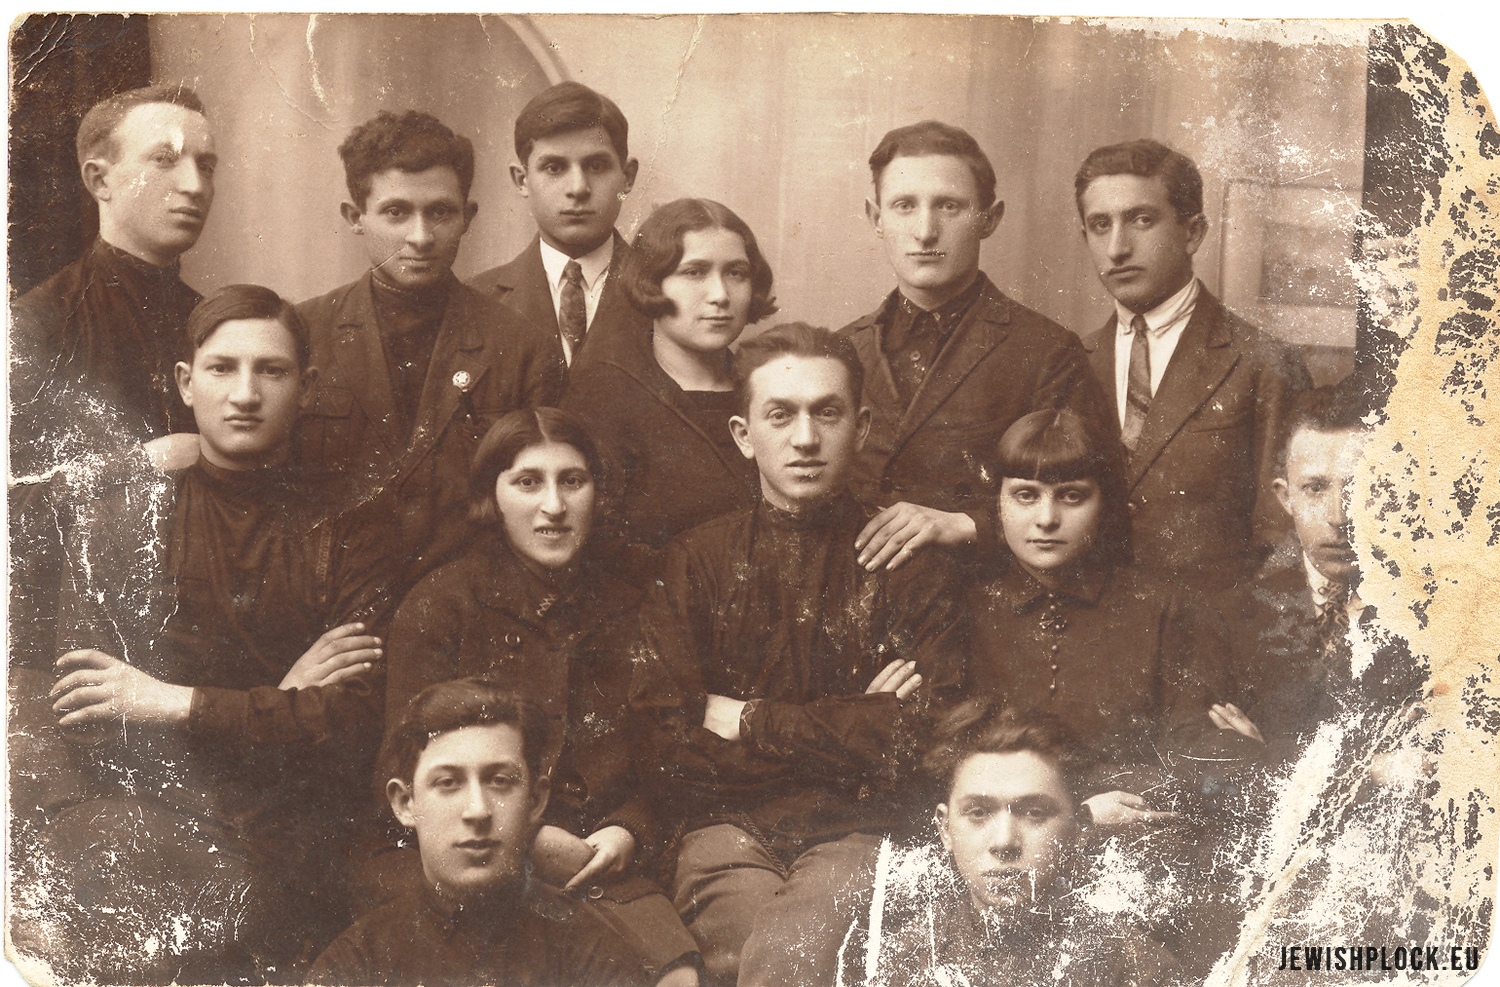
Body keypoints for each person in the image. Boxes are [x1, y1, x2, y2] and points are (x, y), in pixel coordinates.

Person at [11, 286, 393, 984]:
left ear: (305, 387)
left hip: (294, 844)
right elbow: (93, 722)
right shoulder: (121, 522)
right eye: (222, 368)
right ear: (186, 383)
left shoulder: (347, 530)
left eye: (270, 371)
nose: (245, 392)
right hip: (156, 828)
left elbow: (350, 724)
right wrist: (279, 699)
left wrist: (169, 702)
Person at [631, 323, 967, 986]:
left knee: (789, 958)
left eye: (827, 412)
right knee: (759, 955)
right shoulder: (696, 559)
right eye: (780, 415)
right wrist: (857, 719)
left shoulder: (905, 560)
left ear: (862, 425)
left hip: (862, 830)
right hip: (725, 835)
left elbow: (931, 736)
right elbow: (666, 738)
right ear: (742, 432)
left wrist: (754, 719)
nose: (806, 439)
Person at [375, 408, 700, 986]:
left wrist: (628, 830)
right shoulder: (442, 604)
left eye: (572, 481)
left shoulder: (635, 605)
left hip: (601, 864)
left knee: (676, 978)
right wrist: (522, 829)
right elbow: (403, 772)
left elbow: (668, 757)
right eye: (528, 482)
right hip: (475, 861)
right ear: (491, 496)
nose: (554, 506)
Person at [296, 109, 563, 593]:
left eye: (440, 212)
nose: (420, 238)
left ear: (468, 217)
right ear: (355, 218)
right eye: (396, 212)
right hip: (327, 615)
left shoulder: (522, 348)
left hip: (472, 611)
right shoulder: (302, 332)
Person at [9, 83, 217, 693]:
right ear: (99, 180)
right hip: (65, 659)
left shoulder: (217, 328)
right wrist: (139, 465)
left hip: (203, 643)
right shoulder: (31, 327)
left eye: (206, 166)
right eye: (165, 159)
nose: (195, 185)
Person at [841, 120, 1111, 572]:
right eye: (904, 206)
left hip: (985, 607)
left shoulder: (1046, 350)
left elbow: (1092, 506)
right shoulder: (841, 351)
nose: (925, 232)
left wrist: (964, 525)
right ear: (876, 218)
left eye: (949, 206)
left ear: (990, 218)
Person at [1074, 138, 1311, 590]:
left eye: (1141, 220)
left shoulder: (1263, 363)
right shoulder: (1070, 361)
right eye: (1100, 225)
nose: (1117, 248)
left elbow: (1284, 538)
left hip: (1213, 640)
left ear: (1193, 232)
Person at [967, 407, 1218, 823]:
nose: (1046, 519)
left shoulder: (1164, 610)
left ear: (1105, 502)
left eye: (1071, 496)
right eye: (1025, 495)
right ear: (997, 503)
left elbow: (1194, 766)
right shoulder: (964, 609)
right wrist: (1081, 811)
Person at [311, 680, 649, 987]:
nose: (478, 810)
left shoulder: (591, 952)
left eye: (499, 781)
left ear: (535, 799)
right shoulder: (356, 963)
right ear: (405, 802)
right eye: (448, 783)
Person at [839, 701, 1181, 986]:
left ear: (1077, 829)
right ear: (945, 829)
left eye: (1034, 813)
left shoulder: (1138, 969)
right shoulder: (899, 964)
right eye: (977, 812)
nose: (1004, 842)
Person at [561, 199, 767, 577]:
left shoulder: (770, 388)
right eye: (695, 273)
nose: (720, 295)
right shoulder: (602, 395)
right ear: (651, 281)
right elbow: (592, 547)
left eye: (736, 273)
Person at [471, 82, 651, 370]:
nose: (578, 188)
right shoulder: (475, 301)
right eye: (554, 168)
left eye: (596, 166)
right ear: (522, 180)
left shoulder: (664, 292)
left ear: (627, 177)